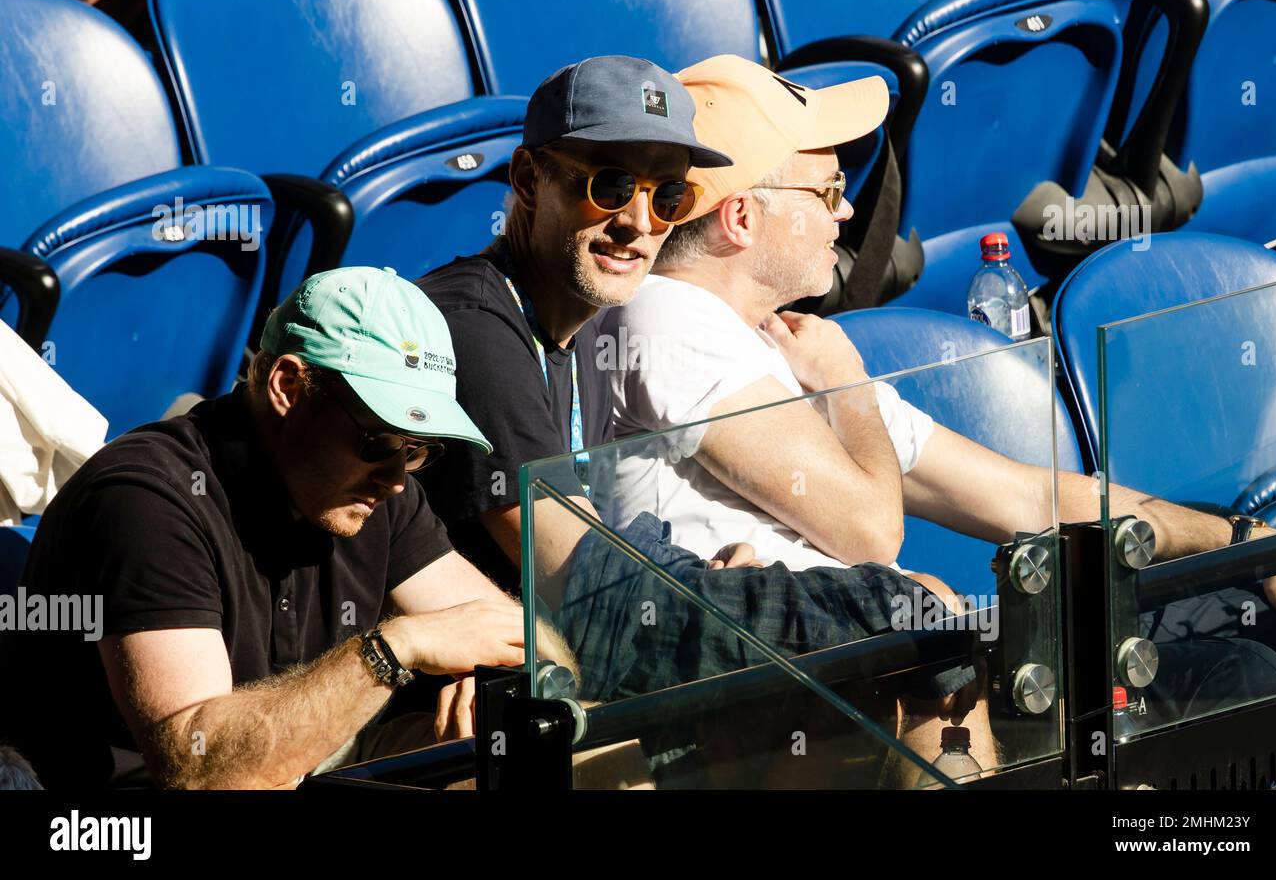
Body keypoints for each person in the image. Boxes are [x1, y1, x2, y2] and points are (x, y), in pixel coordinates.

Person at [600, 54, 1276, 717]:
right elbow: (870, 532)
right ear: (743, 217)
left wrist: (1247, 540)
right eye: (830, 191)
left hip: (915, 667)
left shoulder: (788, 347)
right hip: (831, 714)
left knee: (1264, 635)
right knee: (1244, 678)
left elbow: (1035, 498)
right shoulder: (662, 313)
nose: (847, 215)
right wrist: (847, 389)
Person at [416, 55, 997, 784]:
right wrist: (875, 607)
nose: (637, 222)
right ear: (530, 181)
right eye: (612, 185)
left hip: (539, 686)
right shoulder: (477, 328)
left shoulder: (568, 330)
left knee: (854, 696)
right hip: (448, 733)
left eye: (668, 196)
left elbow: (609, 572)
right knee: (895, 652)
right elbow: (592, 593)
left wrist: (709, 578)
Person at [0, 265, 570, 789]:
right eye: (377, 441)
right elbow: (199, 770)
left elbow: (542, 649)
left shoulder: (374, 488)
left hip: (317, 768)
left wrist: (509, 685)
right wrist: (395, 650)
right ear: (288, 387)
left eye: (417, 448)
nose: (398, 476)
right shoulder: (145, 500)